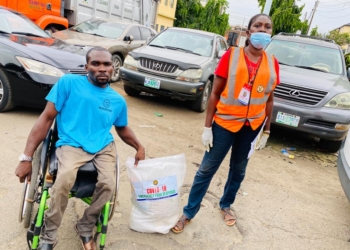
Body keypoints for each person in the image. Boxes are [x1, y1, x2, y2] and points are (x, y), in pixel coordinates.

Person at [15, 47, 145, 250]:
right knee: (64, 178)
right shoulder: (68, 83)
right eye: (96, 64)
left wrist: (138, 146)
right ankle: (48, 236)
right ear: (87, 67)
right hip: (71, 142)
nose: (102, 68)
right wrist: (27, 157)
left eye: (107, 64)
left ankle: (85, 226)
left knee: (109, 184)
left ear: (113, 68)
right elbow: (46, 118)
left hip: (103, 146)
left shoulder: (118, 100)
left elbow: (122, 128)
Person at [172, 14, 280, 233]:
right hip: (224, 124)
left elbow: (269, 98)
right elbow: (215, 94)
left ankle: (226, 205)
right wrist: (207, 127)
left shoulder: (273, 62)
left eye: (267, 27)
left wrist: (267, 129)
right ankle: (189, 212)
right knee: (207, 169)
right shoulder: (231, 55)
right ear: (248, 32)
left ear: (271, 33)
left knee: (238, 170)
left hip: (252, 127)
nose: (263, 30)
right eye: (257, 26)